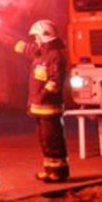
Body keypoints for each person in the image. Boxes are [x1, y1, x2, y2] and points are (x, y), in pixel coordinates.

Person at [18, 19, 69, 182]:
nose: (35, 40)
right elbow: (24, 48)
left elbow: (55, 82)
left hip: (49, 107)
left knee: (53, 140)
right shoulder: (42, 53)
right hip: (40, 107)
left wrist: (40, 97)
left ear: (44, 36)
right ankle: (49, 169)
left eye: (37, 37)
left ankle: (59, 172)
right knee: (45, 140)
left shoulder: (55, 56)